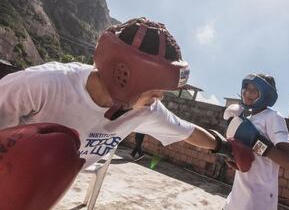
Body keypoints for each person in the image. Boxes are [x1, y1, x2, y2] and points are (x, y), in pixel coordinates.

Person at [0, 17, 252, 209]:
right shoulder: (43, 84)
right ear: (127, 76)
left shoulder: (144, 110)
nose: (161, 97)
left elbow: (187, 131)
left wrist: (224, 147)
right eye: (157, 88)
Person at [223, 73, 289, 210]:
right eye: (246, 88)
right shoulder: (246, 120)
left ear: (266, 95)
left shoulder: (273, 117)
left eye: (254, 90)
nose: (247, 93)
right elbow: (250, 161)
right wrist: (233, 157)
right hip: (234, 201)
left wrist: (256, 141)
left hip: (258, 203)